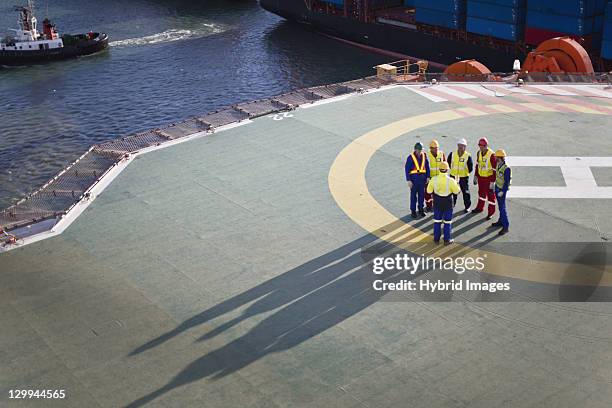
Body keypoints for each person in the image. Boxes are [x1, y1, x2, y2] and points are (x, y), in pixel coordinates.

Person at [426, 161, 460, 245]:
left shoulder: (434, 179)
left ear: (439, 169)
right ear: (447, 170)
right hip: (448, 203)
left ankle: (436, 239)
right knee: (447, 222)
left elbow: (428, 191)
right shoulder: (451, 180)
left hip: (437, 202)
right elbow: (457, 192)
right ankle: (446, 240)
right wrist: (457, 183)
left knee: (437, 221)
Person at [472, 137, 497, 219]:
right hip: (481, 178)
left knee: (490, 196)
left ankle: (491, 212)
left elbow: (494, 170)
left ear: (487, 145)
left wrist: (492, 182)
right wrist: (476, 176)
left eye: (483, 145)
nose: (481, 147)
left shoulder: (492, 155)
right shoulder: (479, 153)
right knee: (481, 193)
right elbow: (477, 165)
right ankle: (480, 208)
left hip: (488, 178)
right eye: (480, 145)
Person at [447, 138, 473, 214]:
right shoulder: (452, 154)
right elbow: (448, 163)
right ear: (457, 145)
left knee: (465, 193)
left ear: (465, 147)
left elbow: (470, 168)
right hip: (453, 176)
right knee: (453, 192)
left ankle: (467, 206)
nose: (461, 147)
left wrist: (464, 173)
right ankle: (452, 204)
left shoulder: (468, 156)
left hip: (463, 177)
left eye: (463, 146)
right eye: (460, 145)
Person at [405, 142, 430, 218]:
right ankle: (413, 211)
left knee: (421, 195)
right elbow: (407, 169)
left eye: (421, 150)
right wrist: (408, 180)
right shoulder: (410, 157)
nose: (420, 152)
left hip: (422, 180)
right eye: (418, 150)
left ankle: (421, 209)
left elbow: (427, 166)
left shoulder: (424, 156)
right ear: (415, 149)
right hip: (414, 180)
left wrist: (428, 177)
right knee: (413, 196)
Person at [491, 149, 511, 235]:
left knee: (502, 208)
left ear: (501, 158)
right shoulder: (498, 165)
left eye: (497, 158)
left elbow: (507, 182)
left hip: (501, 191)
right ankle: (501, 221)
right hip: (497, 188)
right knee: (500, 207)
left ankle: (506, 226)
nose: (496, 160)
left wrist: (503, 191)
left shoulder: (506, 169)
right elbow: (497, 177)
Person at [424, 139, 446, 212]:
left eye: (437, 148)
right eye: (434, 148)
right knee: (428, 193)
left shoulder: (441, 154)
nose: (436, 150)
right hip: (430, 178)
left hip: (439, 178)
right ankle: (429, 206)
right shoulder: (426, 155)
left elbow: (445, 165)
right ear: (431, 148)